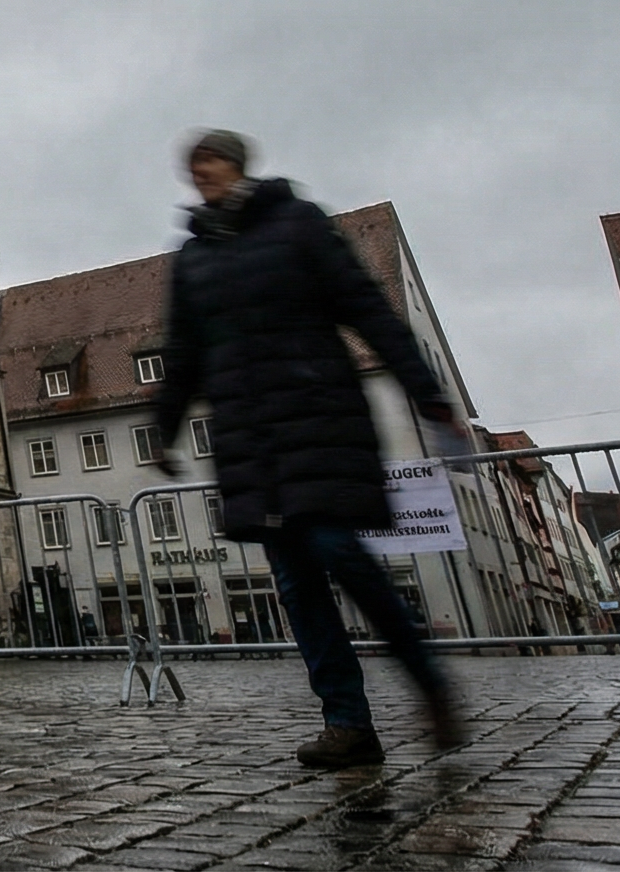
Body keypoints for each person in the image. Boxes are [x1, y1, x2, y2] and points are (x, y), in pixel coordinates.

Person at [152, 130, 465, 769]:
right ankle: (347, 722)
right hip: (248, 436)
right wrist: (165, 423)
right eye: (194, 166)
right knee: (296, 584)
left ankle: (430, 682)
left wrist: (426, 391)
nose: (200, 172)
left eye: (209, 161)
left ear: (236, 165)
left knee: (339, 554)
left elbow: (366, 307)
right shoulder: (192, 257)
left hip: (316, 415)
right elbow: (184, 350)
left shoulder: (296, 225)